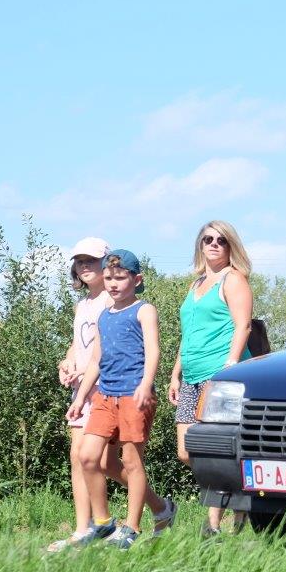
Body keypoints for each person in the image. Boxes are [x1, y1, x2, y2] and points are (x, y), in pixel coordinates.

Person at [47, 239, 175, 553]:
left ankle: (131, 527)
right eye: (110, 278)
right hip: (104, 394)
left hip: (133, 394)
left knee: (131, 461)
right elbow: (95, 359)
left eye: (119, 277)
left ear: (136, 279)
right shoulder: (103, 315)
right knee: (89, 457)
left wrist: (146, 385)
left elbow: (153, 351)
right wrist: (79, 398)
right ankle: (103, 521)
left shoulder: (144, 310)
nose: (113, 283)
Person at [170, 220, 253, 536]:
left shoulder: (233, 279)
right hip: (191, 376)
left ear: (231, 246)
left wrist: (231, 364)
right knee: (186, 451)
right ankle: (239, 493)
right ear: (200, 245)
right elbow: (188, 334)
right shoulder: (196, 285)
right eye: (208, 239)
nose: (214, 244)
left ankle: (213, 526)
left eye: (221, 240)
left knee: (214, 449)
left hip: (218, 375)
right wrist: (175, 374)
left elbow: (243, 325)